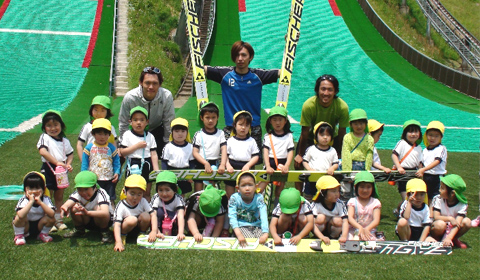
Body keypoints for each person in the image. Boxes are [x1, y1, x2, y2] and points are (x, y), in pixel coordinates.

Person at [204, 41, 279, 153]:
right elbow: (199, 69)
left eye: (244, 55)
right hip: (231, 128)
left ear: (251, 57)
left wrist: (290, 44)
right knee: (228, 163)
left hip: (253, 128)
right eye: (237, 55)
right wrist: (193, 41)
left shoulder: (258, 75)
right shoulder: (225, 74)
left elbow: (285, 72)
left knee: (251, 166)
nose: (240, 58)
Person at [294, 74, 349, 191]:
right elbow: (304, 132)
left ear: (335, 91)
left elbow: (342, 132)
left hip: (330, 139)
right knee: (298, 166)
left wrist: (339, 152)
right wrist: (300, 154)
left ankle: (330, 195)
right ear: (317, 90)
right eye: (323, 89)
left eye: (330, 90)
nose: (326, 93)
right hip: (309, 139)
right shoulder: (309, 105)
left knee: (334, 168)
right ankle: (299, 198)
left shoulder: (342, 107)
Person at [118, 66, 175, 154]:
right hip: (135, 130)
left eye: (155, 83)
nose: (151, 87)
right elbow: (123, 122)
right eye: (147, 83)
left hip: (157, 129)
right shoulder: (130, 97)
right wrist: (124, 144)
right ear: (141, 82)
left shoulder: (166, 96)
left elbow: (169, 122)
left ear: (160, 84)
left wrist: (169, 145)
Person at [37, 110, 74, 232]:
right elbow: (42, 151)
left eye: (56, 125)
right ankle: (49, 219)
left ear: (61, 125)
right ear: (44, 128)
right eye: (49, 125)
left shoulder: (65, 141)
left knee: (59, 195)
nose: (53, 128)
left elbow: (70, 154)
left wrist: (67, 164)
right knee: (48, 195)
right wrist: (56, 162)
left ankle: (58, 220)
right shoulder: (45, 137)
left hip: (62, 171)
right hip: (48, 169)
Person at [61, 171, 113, 243]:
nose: (83, 193)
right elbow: (68, 202)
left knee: (97, 208)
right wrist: (64, 208)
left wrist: (87, 213)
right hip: (87, 220)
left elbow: (105, 213)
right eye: (80, 189)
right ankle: (79, 229)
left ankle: (105, 232)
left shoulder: (101, 193)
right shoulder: (77, 193)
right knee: (74, 207)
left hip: (103, 221)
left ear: (94, 187)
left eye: (86, 189)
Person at [119, 106, 159, 201]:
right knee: (132, 189)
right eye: (135, 120)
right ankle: (131, 209)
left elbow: (153, 154)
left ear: (147, 122)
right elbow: (123, 152)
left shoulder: (150, 136)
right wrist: (137, 146)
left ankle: (147, 210)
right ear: (130, 122)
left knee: (146, 191)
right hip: (133, 164)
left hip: (147, 164)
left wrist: (156, 170)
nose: (138, 122)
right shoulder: (127, 135)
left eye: (142, 120)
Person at [257, 106, 294, 207]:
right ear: (270, 121)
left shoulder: (289, 136)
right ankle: (257, 207)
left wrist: (287, 165)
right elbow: (265, 152)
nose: (277, 123)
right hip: (270, 165)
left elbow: (290, 152)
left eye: (280, 120)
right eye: (274, 120)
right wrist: (268, 166)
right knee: (260, 188)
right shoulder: (268, 136)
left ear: (285, 121)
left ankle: (276, 210)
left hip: (282, 167)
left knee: (279, 190)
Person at [113, 175, 157, 252]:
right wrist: (118, 242)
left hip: (138, 226)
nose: (135, 197)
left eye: (139, 194)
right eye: (132, 194)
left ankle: (141, 233)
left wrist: (154, 231)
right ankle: (123, 236)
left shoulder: (143, 201)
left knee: (146, 216)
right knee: (132, 220)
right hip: (126, 228)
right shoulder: (121, 205)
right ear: (125, 192)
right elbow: (117, 224)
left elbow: (153, 214)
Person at [81, 118, 120, 204]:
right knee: (94, 198)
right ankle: (95, 213)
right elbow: (84, 163)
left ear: (109, 135)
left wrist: (117, 172)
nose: (102, 137)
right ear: (93, 134)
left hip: (109, 179)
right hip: (94, 179)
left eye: (106, 134)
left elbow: (116, 161)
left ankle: (112, 214)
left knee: (110, 198)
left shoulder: (111, 147)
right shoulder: (89, 148)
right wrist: (84, 175)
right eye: (99, 134)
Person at [192, 102, 227, 192]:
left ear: (217, 117)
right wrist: (205, 163)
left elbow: (223, 149)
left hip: (214, 164)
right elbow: (195, 152)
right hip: (200, 164)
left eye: (213, 117)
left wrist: (222, 164)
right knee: (198, 192)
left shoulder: (220, 133)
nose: (210, 120)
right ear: (201, 118)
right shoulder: (198, 134)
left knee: (212, 191)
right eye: (207, 117)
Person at [13, 172, 55, 245]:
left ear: (44, 189)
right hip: (26, 225)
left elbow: (52, 214)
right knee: (18, 218)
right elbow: (20, 215)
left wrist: (41, 203)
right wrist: (31, 202)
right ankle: (19, 236)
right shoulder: (24, 200)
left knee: (51, 219)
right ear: (25, 190)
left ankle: (43, 234)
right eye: (31, 188)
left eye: (38, 188)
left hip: (39, 225)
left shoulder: (45, 199)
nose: (34, 191)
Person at [391, 120, 423, 217]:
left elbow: (420, 162)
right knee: (407, 198)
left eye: (416, 131)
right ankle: (404, 216)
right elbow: (394, 155)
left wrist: (421, 171)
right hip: (403, 173)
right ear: (405, 133)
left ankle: (399, 210)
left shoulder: (419, 148)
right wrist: (399, 166)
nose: (413, 134)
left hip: (414, 173)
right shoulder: (402, 143)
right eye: (410, 131)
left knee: (412, 197)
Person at [228, 171, 269, 247]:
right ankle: (234, 235)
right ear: (238, 188)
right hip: (241, 226)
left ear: (256, 186)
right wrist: (239, 234)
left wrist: (265, 233)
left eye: (250, 185)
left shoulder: (259, 197)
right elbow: (232, 217)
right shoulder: (234, 198)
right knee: (251, 240)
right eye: (243, 186)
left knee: (261, 240)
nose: (247, 188)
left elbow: (264, 215)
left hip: (256, 226)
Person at [430, 174, 471, 249]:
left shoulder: (462, 204)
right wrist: (450, 219)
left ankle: (453, 238)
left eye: (442, 188)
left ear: (452, 193)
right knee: (440, 224)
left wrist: (449, 238)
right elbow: (436, 217)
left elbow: (457, 224)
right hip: (440, 226)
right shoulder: (438, 199)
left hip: (453, 228)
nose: (439, 190)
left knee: (467, 222)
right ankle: (437, 239)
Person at [225, 111, 260, 198]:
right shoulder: (230, 141)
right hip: (231, 169)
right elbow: (225, 155)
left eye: (246, 125)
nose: (243, 128)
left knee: (245, 193)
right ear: (234, 125)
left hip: (246, 169)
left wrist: (248, 165)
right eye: (240, 124)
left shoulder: (251, 141)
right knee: (230, 194)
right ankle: (230, 210)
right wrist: (228, 165)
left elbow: (256, 156)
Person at [341, 109, 374, 198]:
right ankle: (345, 210)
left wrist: (367, 170)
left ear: (365, 124)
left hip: (362, 167)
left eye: (361, 123)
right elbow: (346, 154)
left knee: (359, 192)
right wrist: (347, 171)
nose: (359, 126)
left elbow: (369, 155)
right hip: (349, 166)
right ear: (351, 124)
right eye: (355, 124)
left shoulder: (369, 139)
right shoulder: (347, 137)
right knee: (345, 191)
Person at [302, 122, 339, 200]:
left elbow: (336, 163)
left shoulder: (332, 150)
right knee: (309, 197)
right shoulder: (311, 149)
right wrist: (309, 169)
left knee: (323, 197)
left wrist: (332, 168)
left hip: (325, 179)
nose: (325, 137)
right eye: (322, 135)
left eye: (328, 135)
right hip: (311, 178)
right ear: (316, 136)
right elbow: (305, 161)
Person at [76, 95, 117, 161]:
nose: (98, 113)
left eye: (102, 110)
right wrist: (84, 162)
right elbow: (79, 145)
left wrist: (115, 161)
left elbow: (114, 144)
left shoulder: (110, 127)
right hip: (91, 162)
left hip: (107, 163)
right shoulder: (87, 126)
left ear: (108, 112)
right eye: (96, 110)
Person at [161, 117, 195, 195]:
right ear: (172, 132)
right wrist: (165, 174)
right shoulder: (168, 147)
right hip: (171, 172)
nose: (180, 134)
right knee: (171, 191)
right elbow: (164, 162)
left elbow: (192, 162)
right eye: (176, 131)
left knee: (183, 193)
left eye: (183, 131)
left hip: (185, 172)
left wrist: (191, 175)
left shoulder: (190, 147)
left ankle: (182, 205)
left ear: (187, 132)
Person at [311, 175, 348, 244]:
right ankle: (318, 237)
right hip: (320, 230)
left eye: (338, 191)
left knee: (338, 220)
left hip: (332, 228)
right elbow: (311, 223)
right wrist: (322, 237)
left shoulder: (340, 204)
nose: (337, 194)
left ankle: (333, 237)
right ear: (323, 193)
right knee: (320, 218)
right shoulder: (316, 204)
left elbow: (345, 221)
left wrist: (344, 236)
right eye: (333, 191)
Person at [417, 121, 447, 204]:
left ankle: (435, 213)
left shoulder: (441, 148)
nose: (432, 138)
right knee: (427, 196)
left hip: (437, 177)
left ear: (441, 137)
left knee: (437, 197)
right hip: (427, 176)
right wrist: (420, 169)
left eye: (436, 136)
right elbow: (421, 163)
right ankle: (429, 214)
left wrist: (423, 169)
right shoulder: (425, 150)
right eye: (430, 135)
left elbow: (437, 161)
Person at [347, 171, 383, 241]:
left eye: (368, 187)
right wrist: (359, 228)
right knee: (350, 240)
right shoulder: (352, 201)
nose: (365, 190)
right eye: (362, 187)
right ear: (356, 187)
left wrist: (367, 229)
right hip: (354, 229)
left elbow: (376, 220)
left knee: (371, 240)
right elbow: (350, 218)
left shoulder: (375, 202)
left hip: (369, 230)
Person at [150, 171, 186, 241]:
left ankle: (175, 231)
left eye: (167, 190)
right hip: (158, 223)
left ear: (175, 190)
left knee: (182, 213)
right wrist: (156, 231)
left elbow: (181, 215)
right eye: (160, 190)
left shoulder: (178, 199)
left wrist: (181, 232)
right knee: (156, 212)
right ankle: (158, 230)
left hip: (173, 221)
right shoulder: (156, 198)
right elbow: (153, 215)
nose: (164, 194)